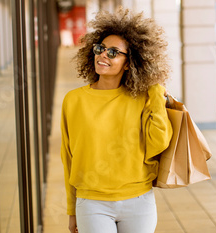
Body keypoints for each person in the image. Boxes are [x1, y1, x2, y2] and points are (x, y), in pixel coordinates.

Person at [60, 8, 173, 233]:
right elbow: (68, 158)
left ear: (129, 63)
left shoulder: (143, 98)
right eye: (101, 49)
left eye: (113, 52)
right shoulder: (73, 101)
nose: (103, 55)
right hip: (92, 202)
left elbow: (159, 143)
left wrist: (156, 94)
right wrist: (72, 210)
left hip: (139, 201)